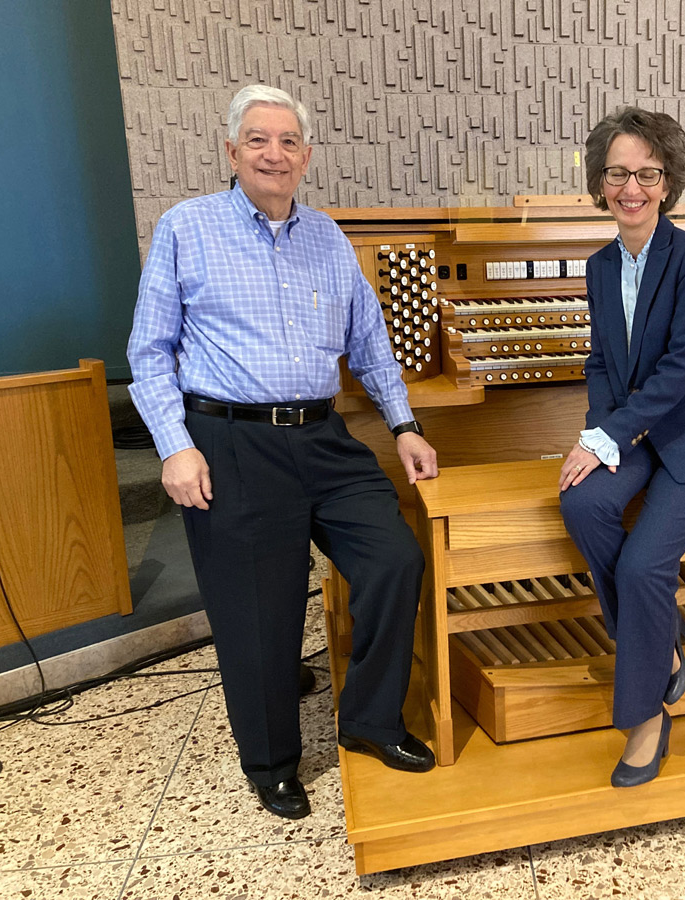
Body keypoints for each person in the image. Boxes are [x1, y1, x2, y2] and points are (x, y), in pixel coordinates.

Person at [127, 84, 439, 820]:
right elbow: (149, 352)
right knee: (258, 612)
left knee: (394, 559)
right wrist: (175, 447)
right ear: (232, 152)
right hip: (229, 440)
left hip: (323, 436)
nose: (275, 153)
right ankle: (270, 763)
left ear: (306, 156)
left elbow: (370, 342)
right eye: (259, 140)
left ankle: (369, 721)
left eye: (289, 141)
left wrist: (403, 425)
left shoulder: (329, 237)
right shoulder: (187, 227)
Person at [558, 108, 685, 788]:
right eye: (618, 173)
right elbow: (603, 362)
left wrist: (612, 433)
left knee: (643, 567)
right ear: (600, 181)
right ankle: (664, 653)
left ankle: (645, 717)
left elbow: (683, 361)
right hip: (637, 430)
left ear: (667, 183)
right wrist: (598, 434)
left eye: (646, 173)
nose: (630, 187)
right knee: (581, 503)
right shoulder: (599, 265)